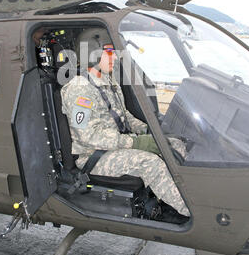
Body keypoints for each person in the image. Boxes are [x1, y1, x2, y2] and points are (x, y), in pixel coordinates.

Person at [60, 27, 190, 224]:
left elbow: (124, 116)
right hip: (94, 156)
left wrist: (149, 130)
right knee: (150, 162)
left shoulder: (109, 80)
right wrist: (135, 143)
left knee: (174, 145)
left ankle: (193, 195)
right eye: (109, 52)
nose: (114, 58)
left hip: (117, 147)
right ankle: (190, 212)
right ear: (92, 54)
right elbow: (88, 136)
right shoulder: (79, 89)